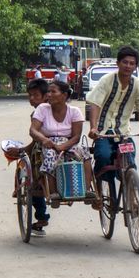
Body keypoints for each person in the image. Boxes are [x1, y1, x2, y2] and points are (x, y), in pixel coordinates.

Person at [87, 45, 139, 180]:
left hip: (123, 133)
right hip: (103, 133)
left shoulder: (138, 84)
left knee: (129, 162)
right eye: (125, 62)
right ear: (118, 63)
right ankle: (99, 189)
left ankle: (131, 192)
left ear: (135, 67)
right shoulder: (107, 80)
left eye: (132, 63)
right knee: (103, 156)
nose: (128, 66)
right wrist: (93, 127)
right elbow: (95, 104)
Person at [30, 80, 95, 209]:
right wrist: (44, 140)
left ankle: (87, 189)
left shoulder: (74, 111)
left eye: (53, 91)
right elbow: (33, 130)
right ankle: (54, 193)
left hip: (69, 142)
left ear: (64, 95)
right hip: (48, 142)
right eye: (48, 91)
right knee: (50, 155)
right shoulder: (42, 109)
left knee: (85, 153)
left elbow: (76, 136)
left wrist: (63, 147)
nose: (49, 94)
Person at [6, 78, 50, 235]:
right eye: (30, 95)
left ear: (46, 96)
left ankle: (41, 215)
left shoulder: (37, 113)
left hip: (43, 149)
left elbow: (36, 140)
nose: (32, 98)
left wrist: (22, 150)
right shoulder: (58, 108)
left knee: (29, 174)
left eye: (35, 95)